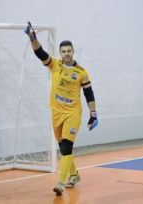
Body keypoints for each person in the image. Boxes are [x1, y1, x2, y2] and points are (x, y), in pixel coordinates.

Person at [24, 22, 98, 196]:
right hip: (56, 111)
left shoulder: (81, 72)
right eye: (63, 51)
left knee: (66, 145)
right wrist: (32, 37)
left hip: (73, 113)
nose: (66, 54)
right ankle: (74, 174)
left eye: (69, 51)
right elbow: (40, 53)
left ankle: (61, 182)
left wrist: (93, 114)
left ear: (73, 52)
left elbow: (89, 94)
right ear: (60, 53)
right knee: (63, 147)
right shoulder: (54, 65)